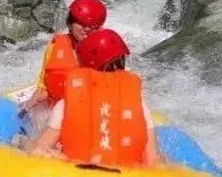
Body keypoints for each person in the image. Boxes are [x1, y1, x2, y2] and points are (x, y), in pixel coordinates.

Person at [22, 29, 161, 167]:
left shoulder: (66, 105)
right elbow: (152, 160)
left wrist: (22, 142)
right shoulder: (140, 107)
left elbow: (39, 151)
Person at [22, 0, 107, 113]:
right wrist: (29, 106)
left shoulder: (106, 50)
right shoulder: (55, 46)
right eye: (81, 23)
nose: (87, 29)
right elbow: (44, 87)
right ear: (70, 24)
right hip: (58, 108)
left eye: (92, 24)